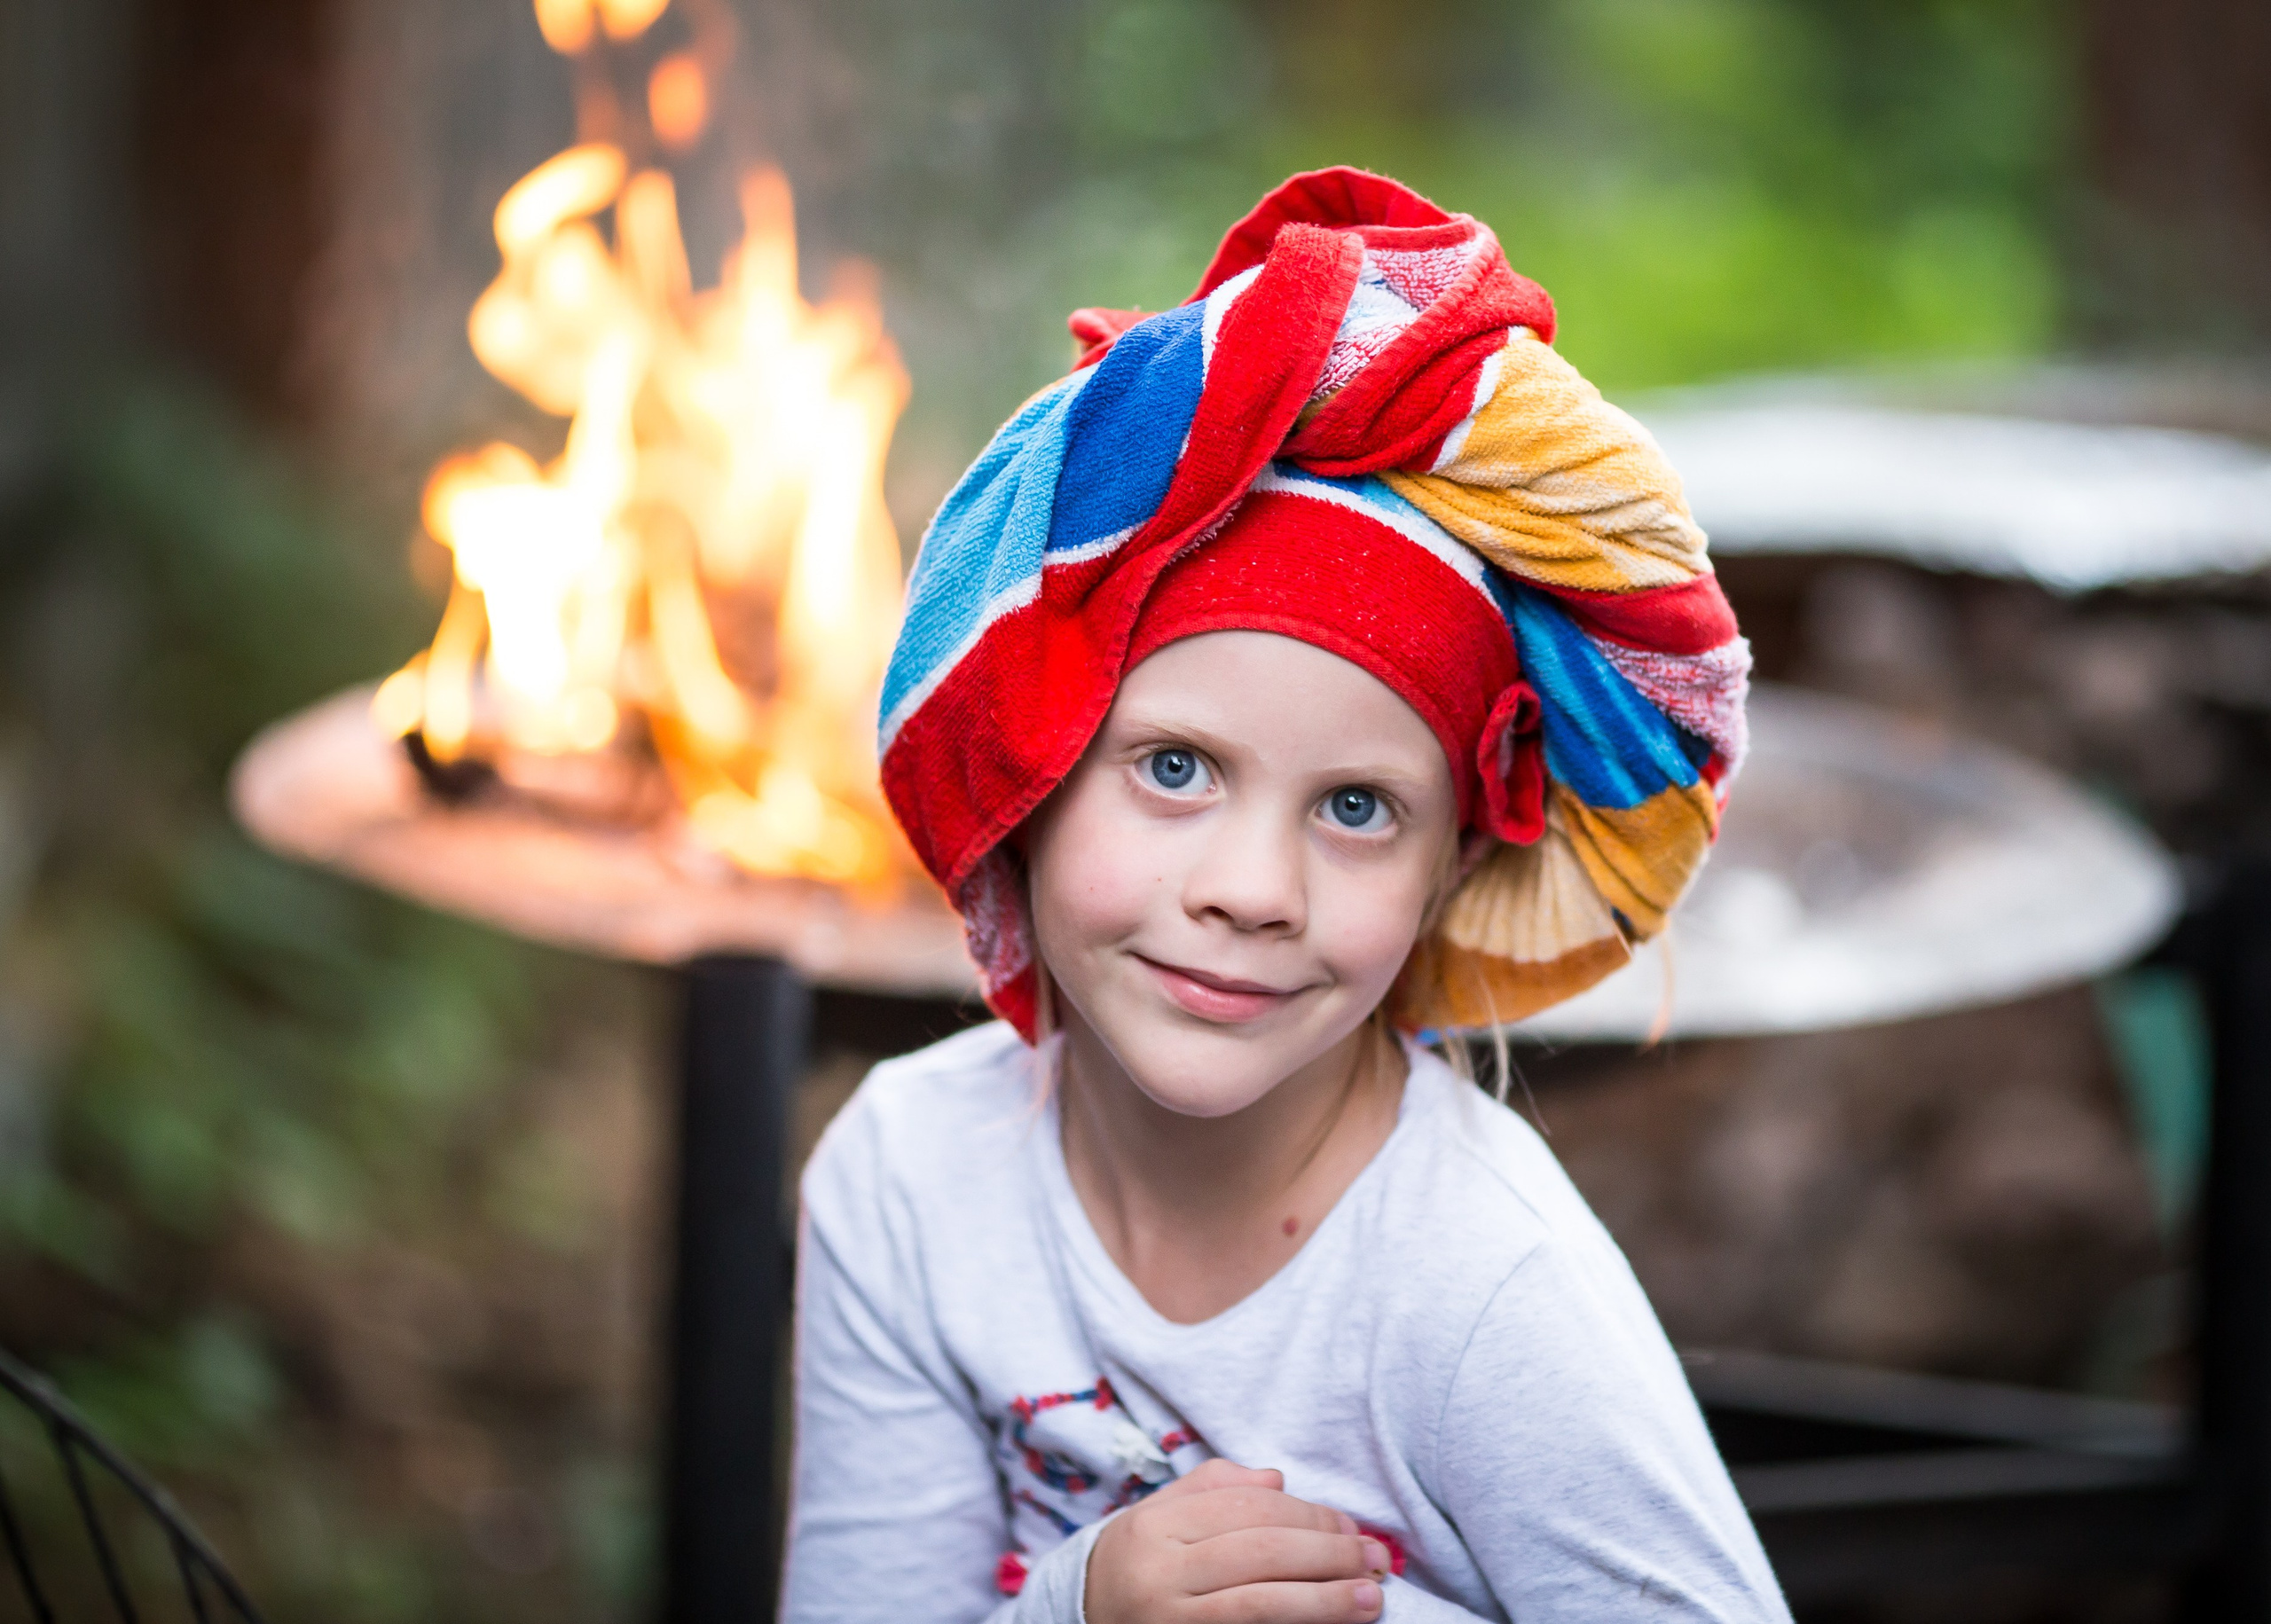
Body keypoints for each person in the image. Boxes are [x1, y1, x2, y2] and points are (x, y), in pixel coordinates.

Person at [782, 168, 1781, 1623]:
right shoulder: (910, 1184)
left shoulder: (1480, 1286)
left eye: (1359, 809)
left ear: (1457, 862)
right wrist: (1085, 1608)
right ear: (1037, 776)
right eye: (1175, 767)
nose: (1255, 892)